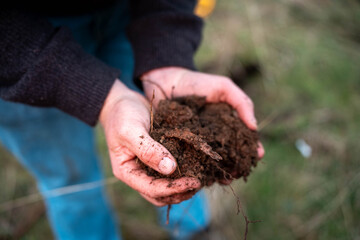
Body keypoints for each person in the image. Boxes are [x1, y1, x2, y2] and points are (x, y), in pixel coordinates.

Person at [0, 0, 264, 239]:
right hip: (20, 50)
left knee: (172, 152)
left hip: (129, 13)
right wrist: (106, 98)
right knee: (70, 180)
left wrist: (167, 57)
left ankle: (195, 232)